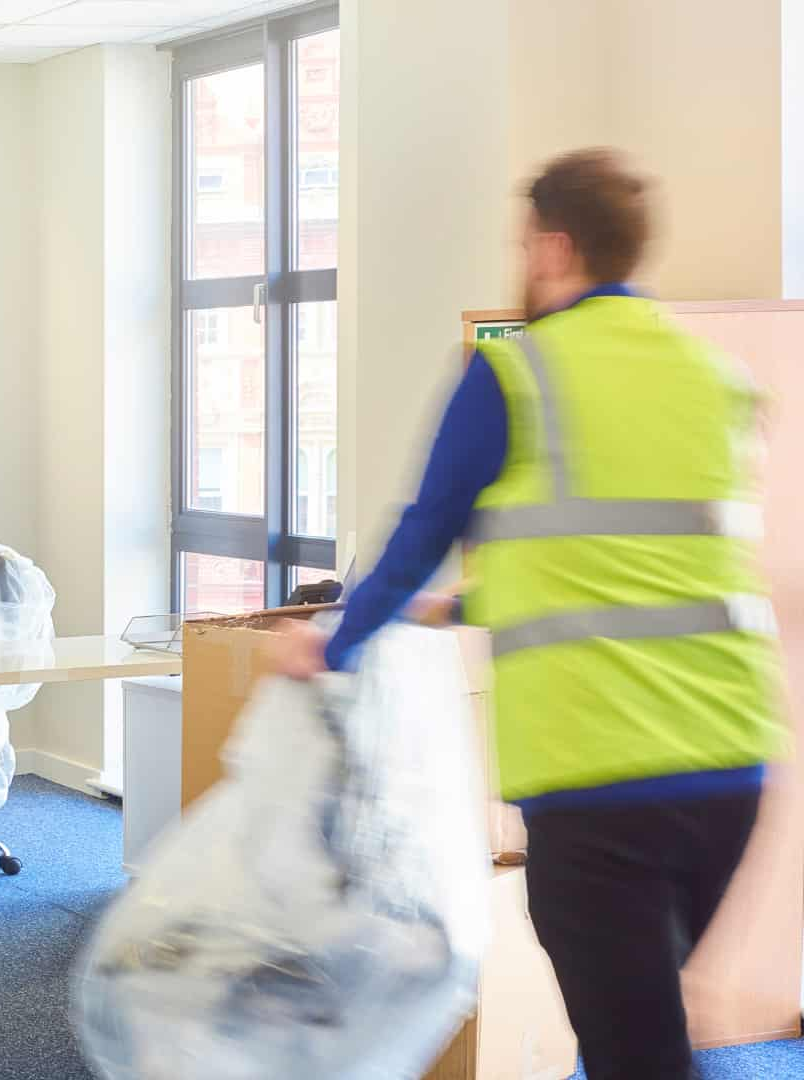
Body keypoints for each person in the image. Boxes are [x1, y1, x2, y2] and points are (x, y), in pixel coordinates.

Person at [275, 148, 787, 1080]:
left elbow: (425, 525)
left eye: (523, 241)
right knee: (633, 1018)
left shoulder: (517, 373)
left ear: (553, 247)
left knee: (638, 1046)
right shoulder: (713, 374)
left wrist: (333, 644)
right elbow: (642, 561)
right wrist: (468, 602)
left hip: (602, 776)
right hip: (732, 765)